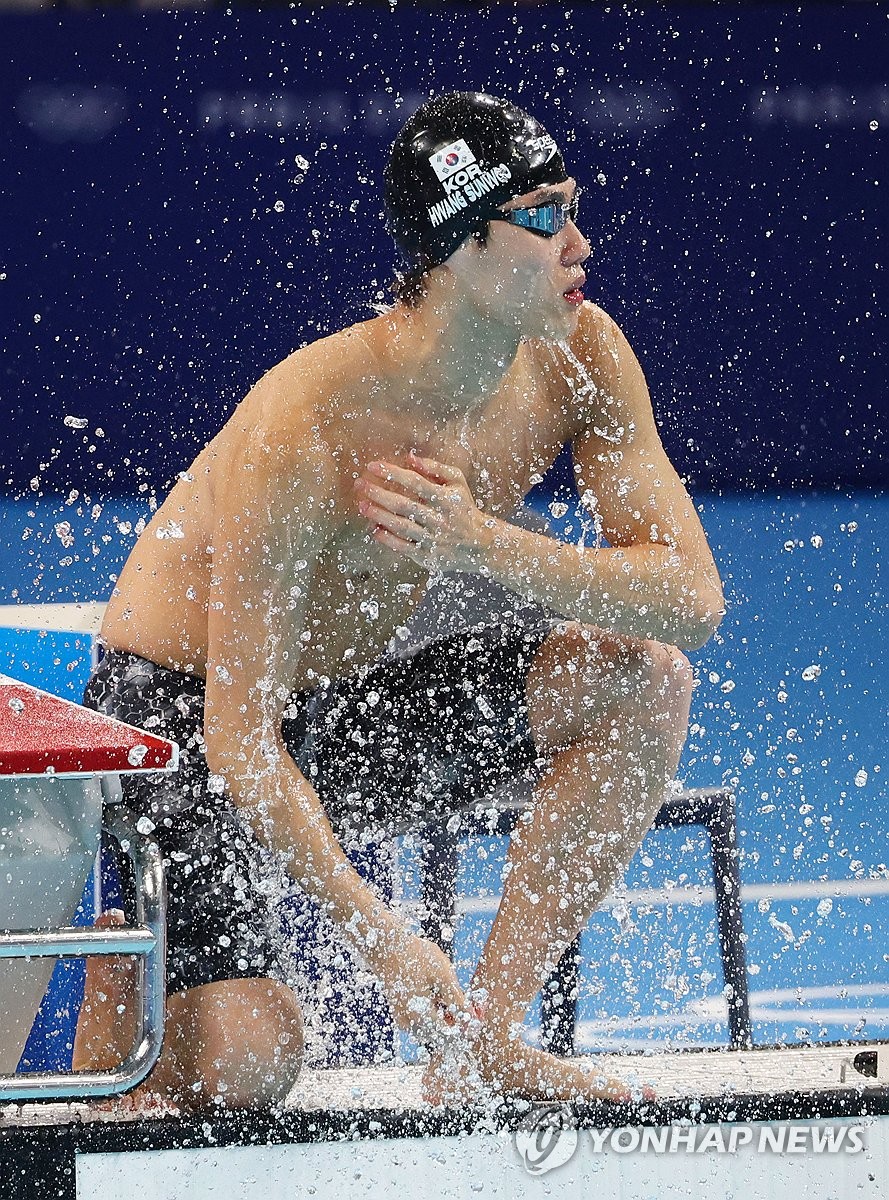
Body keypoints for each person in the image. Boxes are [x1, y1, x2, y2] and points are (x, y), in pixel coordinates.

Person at [73, 91, 724, 1111]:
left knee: (641, 680)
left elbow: (689, 600)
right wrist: (382, 942)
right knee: (250, 1060)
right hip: (184, 720)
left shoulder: (579, 353)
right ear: (459, 246)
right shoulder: (314, 416)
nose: (580, 243)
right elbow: (240, 740)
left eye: (573, 207)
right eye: (546, 216)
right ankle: (122, 977)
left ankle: (484, 1043)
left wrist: (484, 545)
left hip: (353, 702)